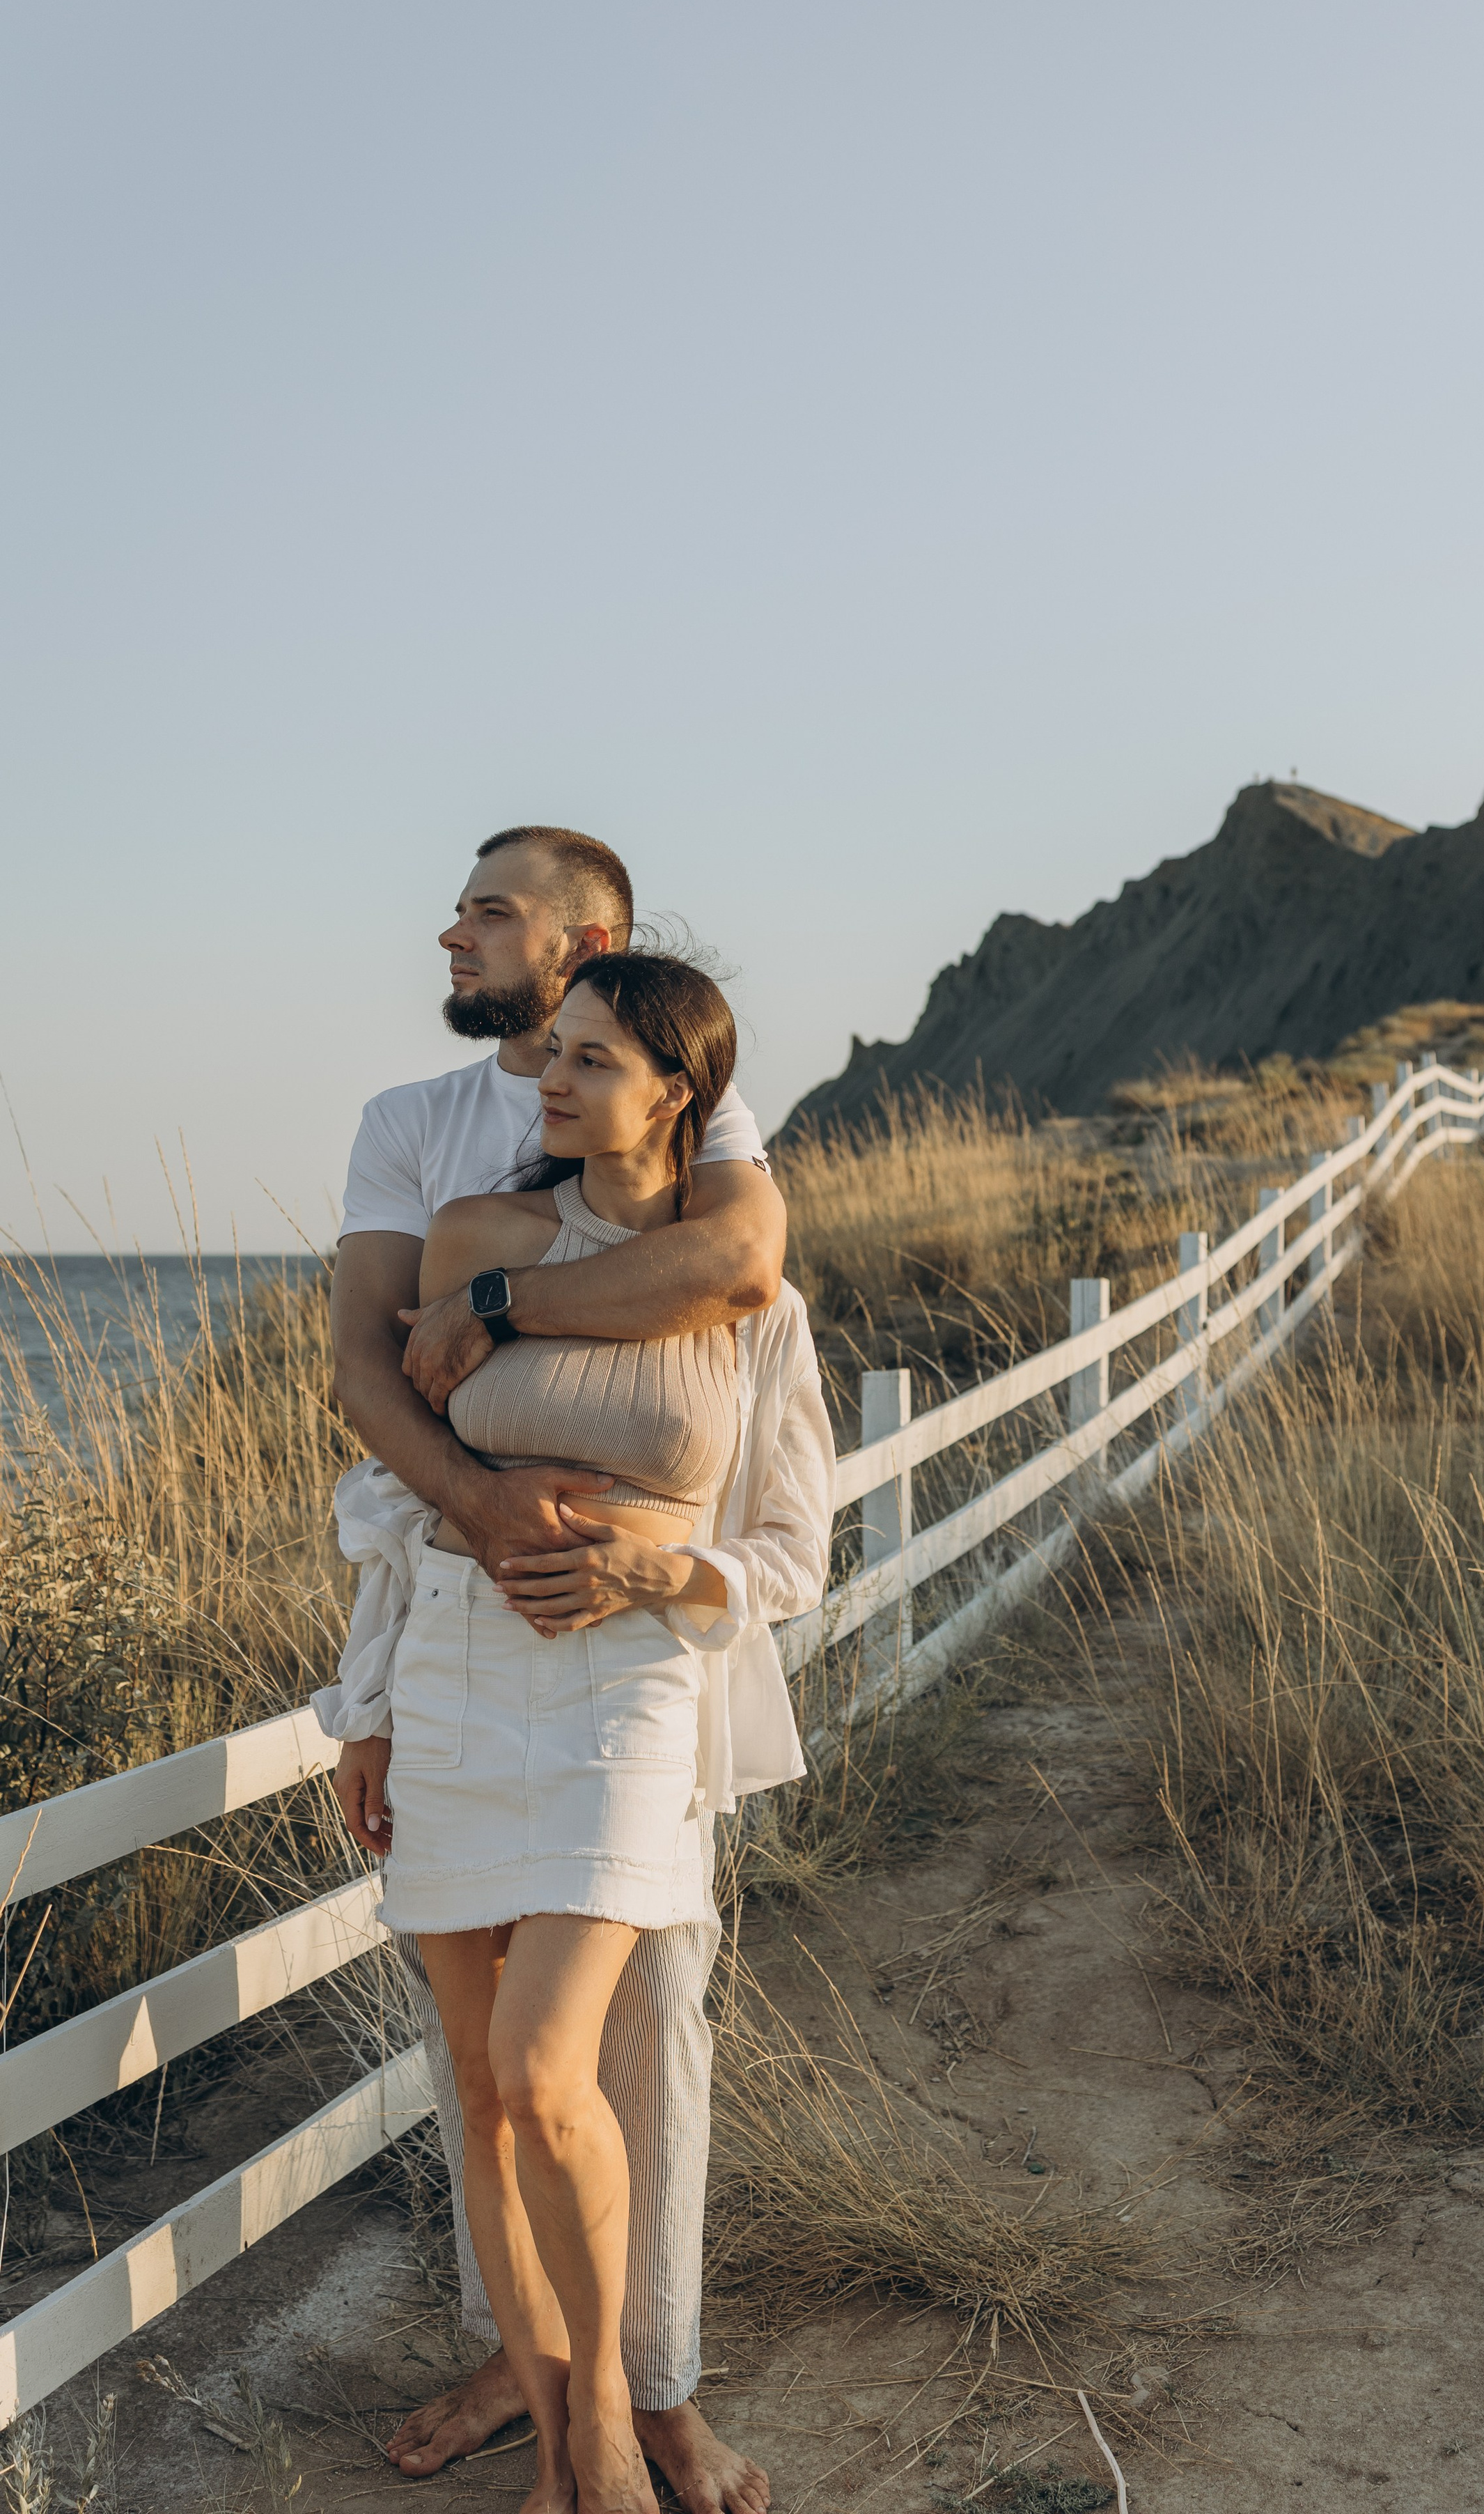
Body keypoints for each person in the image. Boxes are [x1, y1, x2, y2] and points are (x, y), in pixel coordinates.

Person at [320, 949, 832, 2514]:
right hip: (462, 1677)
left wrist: (656, 1567)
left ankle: (611, 2419)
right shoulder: (476, 1241)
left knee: (551, 2067)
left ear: (679, 1096)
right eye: (556, 1053)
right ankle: (562, 2456)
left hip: (630, 1689)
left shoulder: (754, 1298)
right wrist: (370, 1707)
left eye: (595, 1058)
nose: (553, 1077)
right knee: (481, 2089)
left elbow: (795, 1557)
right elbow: (391, 1504)